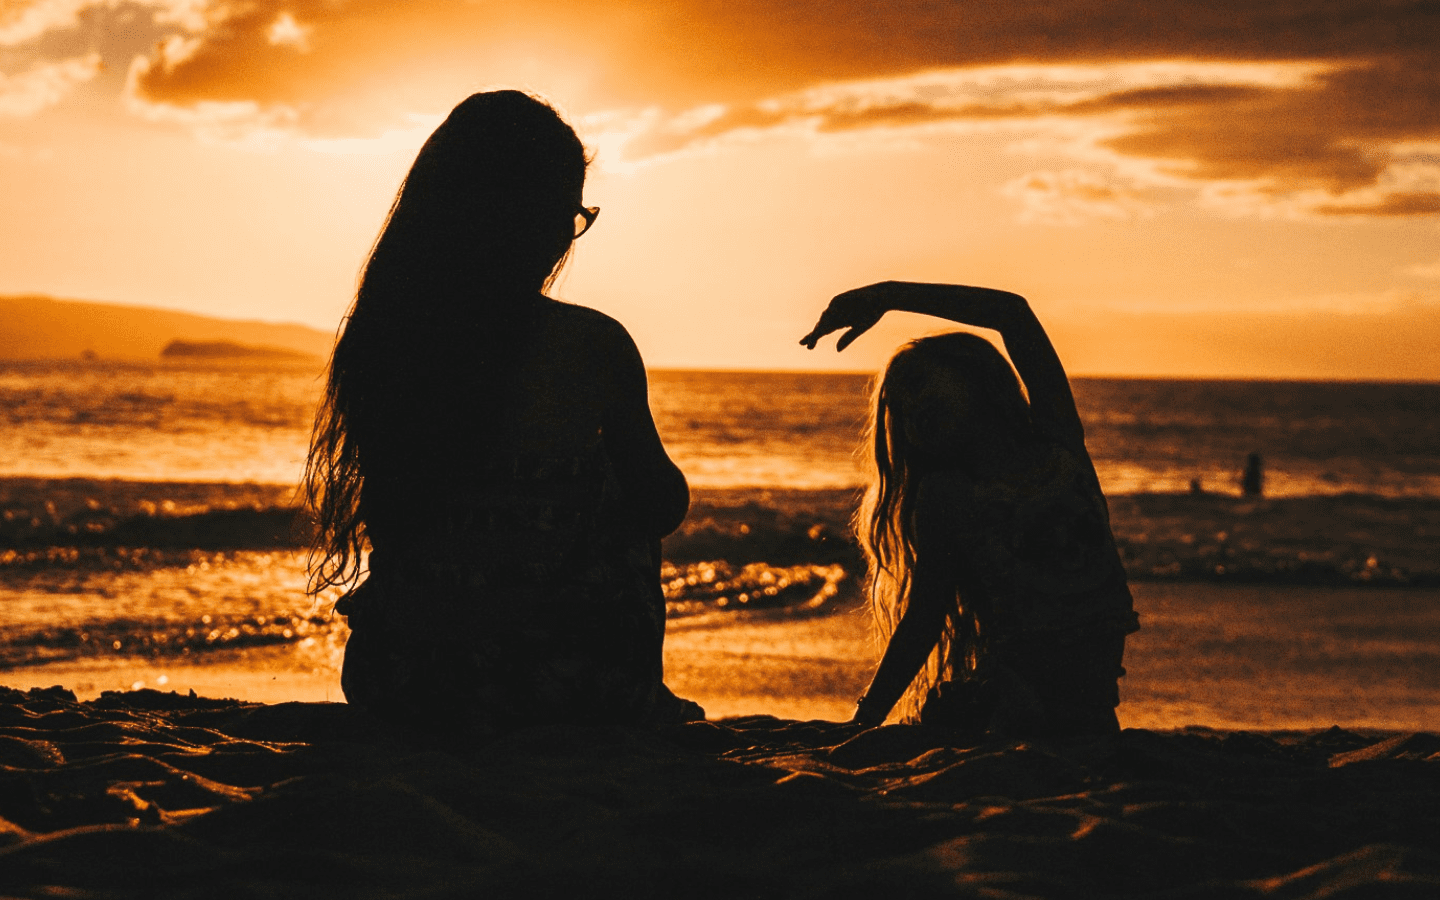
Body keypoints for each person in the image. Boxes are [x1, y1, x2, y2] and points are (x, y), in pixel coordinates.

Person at [304, 91, 700, 739]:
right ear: (533, 219)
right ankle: (637, 694)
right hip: (559, 689)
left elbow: (397, 521)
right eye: (566, 213)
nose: (564, 234)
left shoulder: (382, 336)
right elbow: (660, 506)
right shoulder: (593, 346)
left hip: (400, 681)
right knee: (617, 490)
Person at [801, 282, 1139, 737]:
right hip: (1019, 695)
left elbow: (1013, 314)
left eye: (919, 384)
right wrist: (866, 719)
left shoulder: (1058, 445)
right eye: (899, 408)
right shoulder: (947, 495)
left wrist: (887, 295)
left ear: (976, 376)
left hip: (1090, 696)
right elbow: (925, 615)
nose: (913, 406)